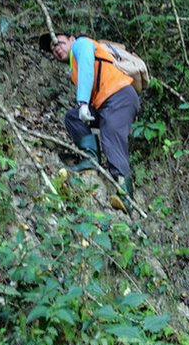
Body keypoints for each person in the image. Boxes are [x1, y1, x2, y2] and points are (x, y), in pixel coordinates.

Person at [39, 31, 139, 214]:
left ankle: (126, 195)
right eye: (53, 50)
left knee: (111, 135)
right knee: (73, 117)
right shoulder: (74, 67)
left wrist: (83, 103)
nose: (57, 49)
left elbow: (87, 65)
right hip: (106, 103)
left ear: (71, 39)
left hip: (119, 96)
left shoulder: (82, 44)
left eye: (59, 43)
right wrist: (84, 107)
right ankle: (90, 159)